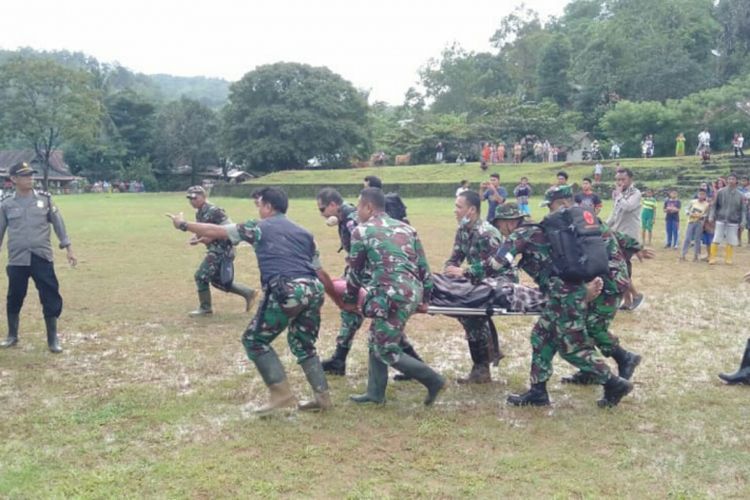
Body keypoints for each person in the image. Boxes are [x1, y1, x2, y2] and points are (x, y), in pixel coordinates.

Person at [166, 187, 331, 414]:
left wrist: (182, 225)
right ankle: (322, 398)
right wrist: (336, 295)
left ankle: (281, 395)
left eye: (260, 204)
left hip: (286, 289)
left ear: (269, 207)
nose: (258, 208)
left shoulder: (258, 227)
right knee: (304, 344)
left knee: (254, 341)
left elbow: (218, 230)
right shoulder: (304, 233)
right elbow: (319, 271)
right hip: (314, 290)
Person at [490, 185, 634, 408]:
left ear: (508, 222)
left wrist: (467, 272)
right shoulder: (572, 223)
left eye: (499, 225)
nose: (500, 230)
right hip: (569, 292)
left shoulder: (530, 232)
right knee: (542, 335)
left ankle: (613, 381)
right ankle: (538, 391)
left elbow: (497, 263)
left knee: (573, 344)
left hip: (574, 293)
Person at [343, 188, 445, 406]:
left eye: (359, 206)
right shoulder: (407, 228)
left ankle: (433, 380)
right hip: (411, 291)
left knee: (385, 349)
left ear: (369, 207)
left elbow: (355, 272)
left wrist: (350, 300)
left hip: (391, 295)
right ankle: (375, 393)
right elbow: (424, 267)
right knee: (376, 337)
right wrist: (425, 298)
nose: (357, 211)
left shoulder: (361, 231)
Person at [315, 188, 424, 379]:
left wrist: (351, 290)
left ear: (333, 205)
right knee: (375, 323)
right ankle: (340, 358)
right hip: (374, 277)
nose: (322, 214)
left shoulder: (352, 222)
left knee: (373, 322)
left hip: (374, 278)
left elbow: (364, 255)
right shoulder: (346, 217)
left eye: (322, 209)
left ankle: (418, 369)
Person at [0, 162, 77, 353]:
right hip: (18, 259)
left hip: (41, 257)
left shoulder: (45, 200)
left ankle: (53, 339)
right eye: (25, 176)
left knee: (50, 295)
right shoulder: (6, 204)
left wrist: (68, 247)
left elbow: (59, 224)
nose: (30, 179)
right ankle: (12, 335)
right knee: (14, 296)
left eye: (31, 175)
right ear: (14, 179)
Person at [444, 190, 508, 384]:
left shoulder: (487, 234)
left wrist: (464, 272)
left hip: (501, 283)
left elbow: (495, 267)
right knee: (459, 305)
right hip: (479, 281)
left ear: (471, 210)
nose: (455, 211)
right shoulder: (463, 230)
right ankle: (488, 355)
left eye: (458, 207)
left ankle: (482, 366)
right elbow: (455, 258)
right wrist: (448, 270)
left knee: (469, 311)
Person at [183, 186, 257, 317]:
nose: (192, 201)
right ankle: (248, 292)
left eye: (195, 198)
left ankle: (205, 308)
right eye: (190, 198)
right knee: (218, 282)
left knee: (200, 276)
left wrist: (208, 238)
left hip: (222, 250)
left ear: (204, 197)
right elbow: (203, 230)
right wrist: (197, 238)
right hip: (215, 249)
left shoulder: (215, 211)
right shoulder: (200, 212)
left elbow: (230, 230)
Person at [607, 168, 644, 310]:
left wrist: (618, 196)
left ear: (630, 179)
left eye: (623, 179)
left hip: (629, 237)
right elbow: (615, 214)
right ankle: (628, 300)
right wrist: (603, 226)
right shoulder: (618, 195)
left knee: (618, 268)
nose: (620, 182)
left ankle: (635, 295)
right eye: (618, 180)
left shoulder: (636, 193)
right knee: (622, 268)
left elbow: (628, 207)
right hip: (617, 235)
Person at [708, 173, 745, 265]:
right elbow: (714, 206)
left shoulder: (740, 195)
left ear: (736, 181)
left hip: (733, 221)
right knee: (716, 238)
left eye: (733, 179)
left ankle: (728, 259)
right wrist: (711, 216)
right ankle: (712, 258)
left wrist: (743, 221)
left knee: (731, 239)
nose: (731, 181)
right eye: (729, 179)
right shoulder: (720, 192)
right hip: (720, 219)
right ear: (727, 180)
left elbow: (743, 210)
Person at [680, 189, 710, 261]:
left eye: (703, 194)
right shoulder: (693, 202)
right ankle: (683, 255)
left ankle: (696, 256)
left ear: (705, 196)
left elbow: (706, 214)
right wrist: (689, 213)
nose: (701, 196)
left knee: (697, 240)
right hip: (691, 222)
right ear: (697, 194)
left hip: (699, 223)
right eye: (700, 194)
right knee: (687, 238)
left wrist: (702, 217)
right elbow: (686, 208)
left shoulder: (707, 204)